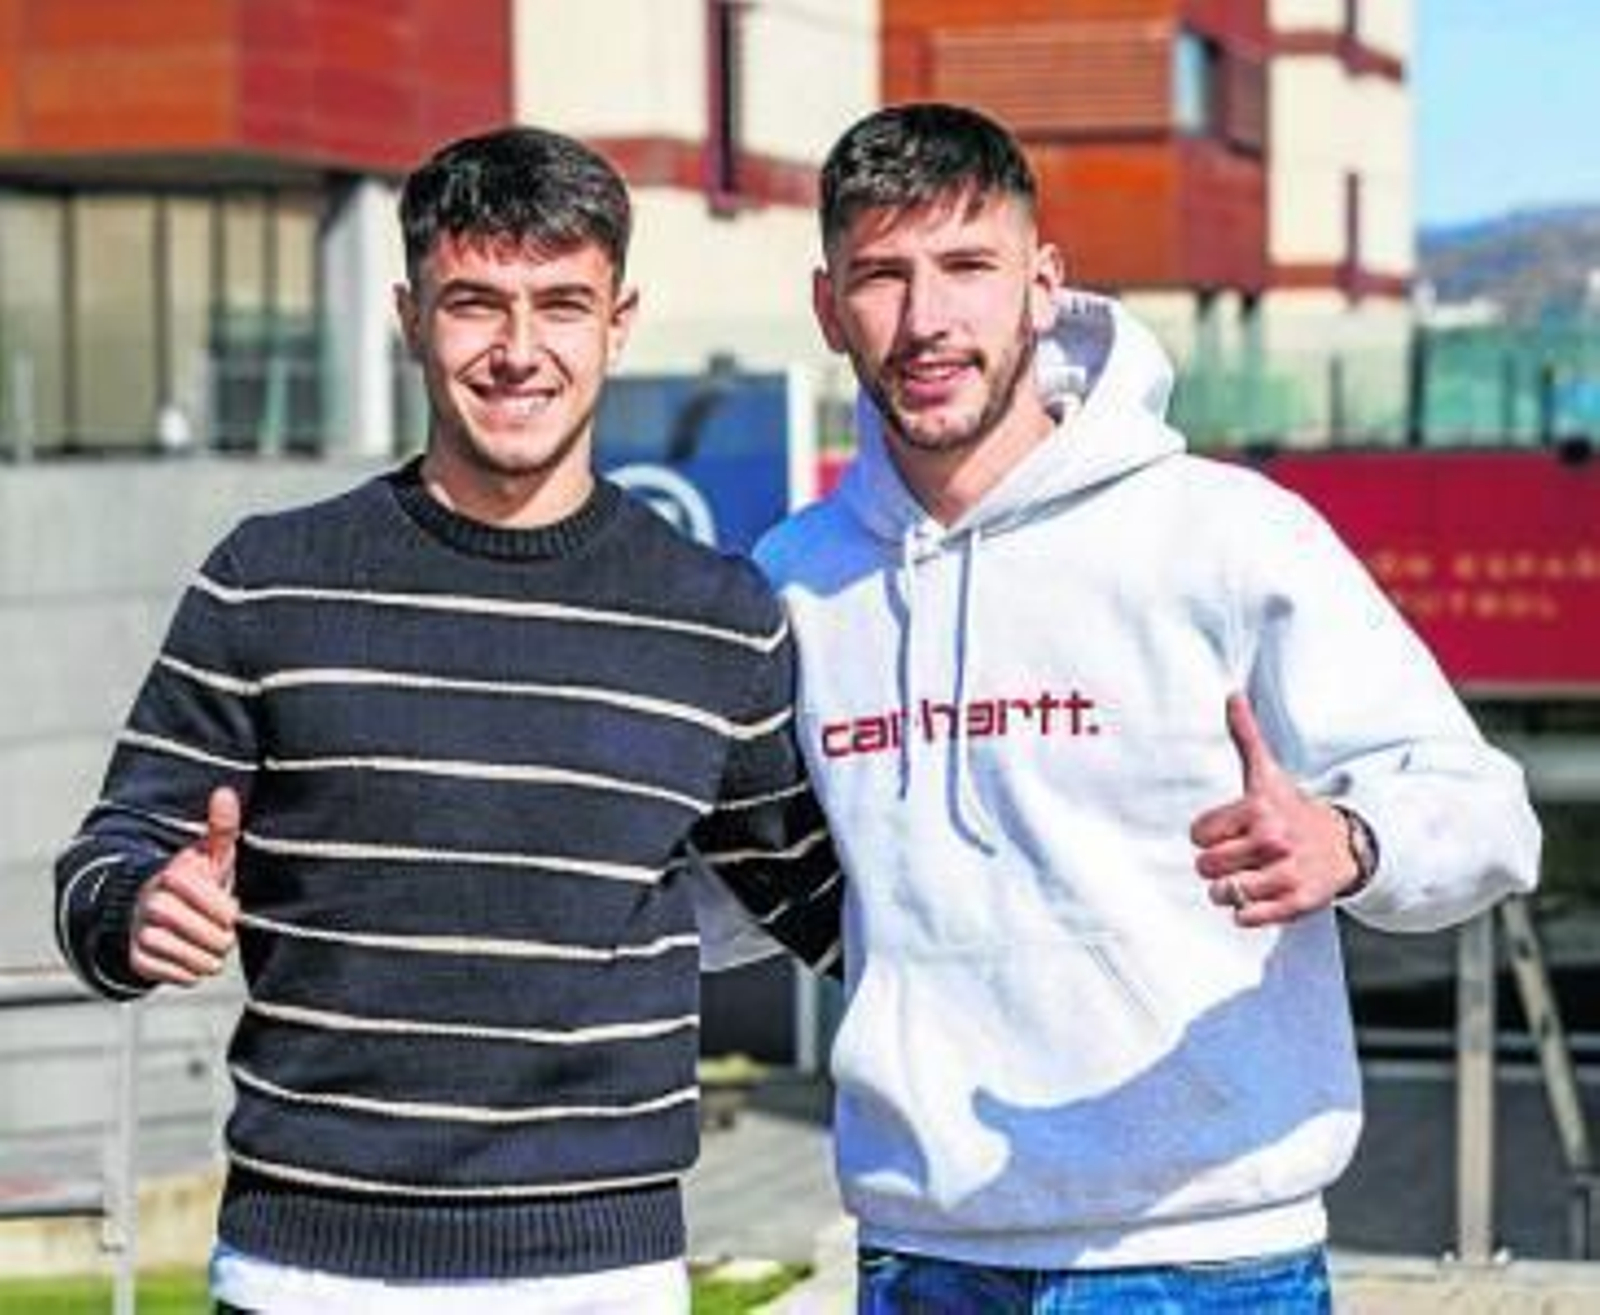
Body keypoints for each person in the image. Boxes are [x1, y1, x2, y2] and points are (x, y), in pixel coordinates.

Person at [755, 102, 1542, 1312]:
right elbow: (717, 892)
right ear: (827, 306)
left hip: (1210, 1256)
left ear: (1042, 285)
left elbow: (1489, 815)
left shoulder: (1221, 533)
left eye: (969, 266)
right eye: (881, 275)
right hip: (923, 1255)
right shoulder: (797, 580)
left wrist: (1351, 841)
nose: (927, 319)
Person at [53, 125, 841, 1315]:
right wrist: (133, 909)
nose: (520, 351)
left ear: (618, 322)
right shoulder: (268, 581)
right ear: (409, 314)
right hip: (304, 1276)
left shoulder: (715, 616)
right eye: (475, 303)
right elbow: (105, 856)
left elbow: (845, 907)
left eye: (560, 305)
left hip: (601, 1283)